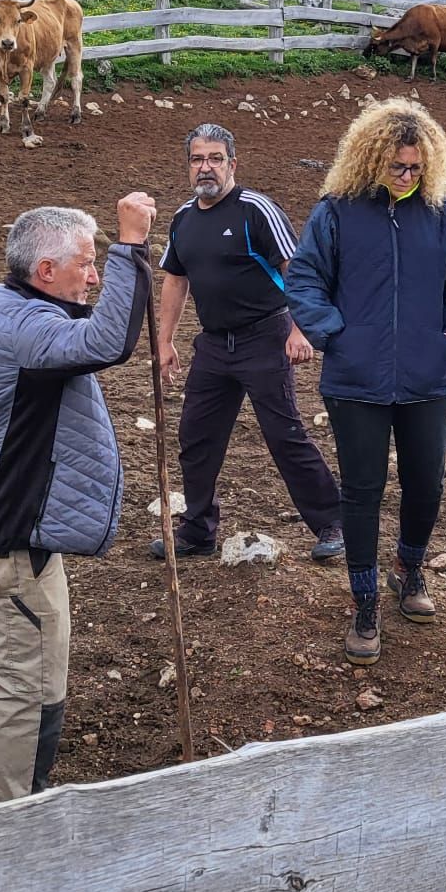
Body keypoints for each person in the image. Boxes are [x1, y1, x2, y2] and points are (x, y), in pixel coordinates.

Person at [0, 194, 157, 808]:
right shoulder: (29, 328)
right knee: (27, 689)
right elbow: (110, 342)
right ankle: (16, 818)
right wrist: (132, 246)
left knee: (24, 674)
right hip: (10, 538)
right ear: (45, 271)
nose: (95, 274)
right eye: (86, 262)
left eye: (100, 261)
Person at [287, 98, 446, 665]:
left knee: (427, 484)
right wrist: (336, 334)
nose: (407, 176)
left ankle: (409, 566)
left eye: (415, 167)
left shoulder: (445, 215)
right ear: (370, 159)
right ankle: (363, 600)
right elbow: (304, 279)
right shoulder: (335, 213)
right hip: (355, 380)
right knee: (362, 491)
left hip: (429, 377)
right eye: (397, 167)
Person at [152, 123, 344, 564]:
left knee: (285, 434)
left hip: (266, 337)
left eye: (215, 159)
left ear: (232, 164)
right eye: (198, 159)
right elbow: (175, 279)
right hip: (214, 345)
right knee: (196, 436)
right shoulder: (183, 219)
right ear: (188, 166)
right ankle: (198, 530)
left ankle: (335, 522)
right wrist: (165, 340)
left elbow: (296, 268)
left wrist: (301, 329)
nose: (206, 168)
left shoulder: (256, 209)